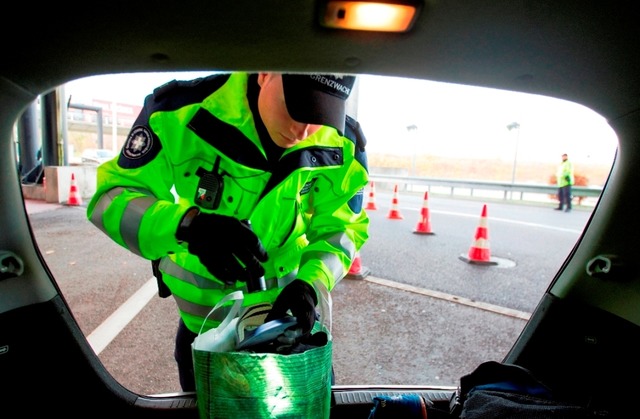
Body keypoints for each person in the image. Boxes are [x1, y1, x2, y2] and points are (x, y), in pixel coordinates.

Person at [86, 72, 370, 391]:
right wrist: (189, 227)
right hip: (205, 330)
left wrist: (312, 282)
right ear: (265, 73)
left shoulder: (342, 142)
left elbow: (342, 227)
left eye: (320, 114)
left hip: (290, 329)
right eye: (297, 107)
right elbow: (112, 198)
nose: (305, 130)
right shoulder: (180, 112)